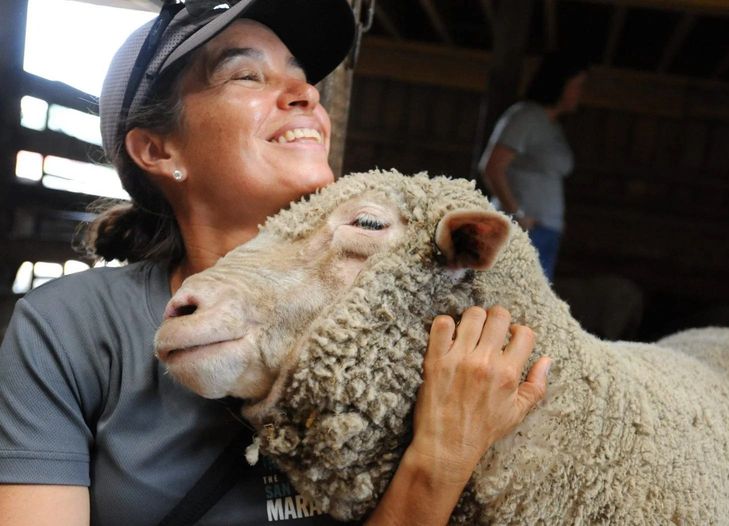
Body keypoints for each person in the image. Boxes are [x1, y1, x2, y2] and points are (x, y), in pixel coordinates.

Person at [0, 1, 552, 525]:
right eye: (245, 75)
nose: (306, 92)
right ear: (158, 150)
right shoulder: (69, 329)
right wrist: (438, 462)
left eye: (300, 74)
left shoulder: (410, 327)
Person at [479, 51, 588, 283]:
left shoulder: (553, 127)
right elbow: (492, 167)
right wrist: (518, 215)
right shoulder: (526, 117)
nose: (580, 93)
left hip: (546, 230)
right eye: (577, 85)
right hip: (524, 231)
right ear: (560, 84)